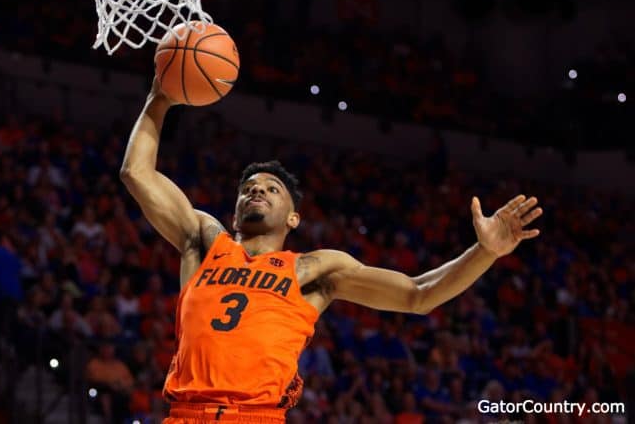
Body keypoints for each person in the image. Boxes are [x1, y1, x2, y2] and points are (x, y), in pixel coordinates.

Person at [119, 80, 543, 423]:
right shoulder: (204, 241)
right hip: (184, 413)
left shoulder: (313, 269)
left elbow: (418, 294)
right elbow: (136, 172)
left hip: (257, 416)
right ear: (233, 213)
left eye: (272, 188)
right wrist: (160, 96)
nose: (257, 192)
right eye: (248, 189)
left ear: (293, 219)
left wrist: (485, 252)